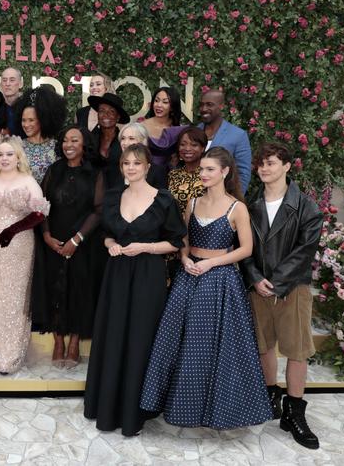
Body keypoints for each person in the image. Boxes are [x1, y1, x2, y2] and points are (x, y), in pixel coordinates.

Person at [141, 147, 272, 429]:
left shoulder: (237, 207)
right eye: (201, 169)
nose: (203, 174)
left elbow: (246, 249)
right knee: (177, 343)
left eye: (210, 169)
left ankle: (216, 411)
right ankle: (178, 407)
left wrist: (212, 264)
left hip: (220, 281)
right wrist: (186, 258)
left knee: (213, 349)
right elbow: (184, 241)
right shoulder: (192, 203)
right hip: (189, 277)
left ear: (225, 172)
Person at [84, 144, 185, 437]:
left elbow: (176, 242)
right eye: (126, 163)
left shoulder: (163, 200)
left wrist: (144, 247)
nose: (130, 167)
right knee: (113, 335)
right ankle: (107, 407)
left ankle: (134, 412)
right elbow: (105, 235)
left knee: (140, 338)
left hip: (147, 276)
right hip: (116, 275)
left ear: (147, 167)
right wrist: (110, 245)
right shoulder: (114, 196)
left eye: (136, 163)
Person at [241, 143, 323, 450]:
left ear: (287, 166)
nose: (264, 168)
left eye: (271, 162)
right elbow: (243, 246)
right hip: (259, 287)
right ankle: (270, 398)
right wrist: (254, 277)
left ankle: (294, 412)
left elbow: (305, 250)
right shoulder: (251, 205)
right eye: (261, 163)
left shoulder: (306, 206)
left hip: (292, 289)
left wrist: (275, 281)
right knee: (264, 347)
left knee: (296, 349)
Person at [0, 136, 49, 374]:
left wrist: (13, 229)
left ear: (18, 157)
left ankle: (12, 355)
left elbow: (40, 213)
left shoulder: (28, 180)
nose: (4, 158)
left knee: (16, 298)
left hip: (19, 246)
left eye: (9, 154)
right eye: (0, 154)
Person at [37, 126, 103, 368]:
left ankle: (74, 342)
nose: (68, 144)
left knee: (79, 290)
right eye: (65, 140)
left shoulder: (95, 173)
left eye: (74, 140)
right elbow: (41, 206)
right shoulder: (54, 170)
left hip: (82, 243)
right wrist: (45, 235)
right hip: (53, 241)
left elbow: (98, 211)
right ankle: (58, 341)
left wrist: (77, 240)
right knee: (54, 289)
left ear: (84, 144)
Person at [197, 89, 251, 193]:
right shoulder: (195, 131)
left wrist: (233, 201)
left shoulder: (238, 135)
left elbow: (243, 173)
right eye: (202, 105)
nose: (204, 109)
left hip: (224, 200)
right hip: (195, 200)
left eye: (209, 105)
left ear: (221, 106)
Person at [17, 87, 66, 184]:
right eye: (23, 120)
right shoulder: (17, 146)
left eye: (31, 120)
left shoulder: (57, 147)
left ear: (43, 120)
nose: (26, 125)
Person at [104, 122, 167, 190]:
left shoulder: (157, 172)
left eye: (131, 138)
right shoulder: (112, 170)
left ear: (143, 141)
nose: (125, 143)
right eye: (123, 138)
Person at [143, 86, 186, 169]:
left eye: (165, 102)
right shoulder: (141, 127)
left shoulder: (178, 130)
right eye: (156, 101)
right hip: (146, 173)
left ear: (173, 107)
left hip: (170, 175)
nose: (159, 105)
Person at [167, 126, 207, 214]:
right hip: (176, 226)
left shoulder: (209, 174)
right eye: (183, 144)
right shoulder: (173, 175)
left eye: (194, 145)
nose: (187, 149)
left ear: (203, 148)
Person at [88, 93, 129, 164]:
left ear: (118, 117)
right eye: (102, 111)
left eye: (112, 111)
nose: (106, 114)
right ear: (97, 115)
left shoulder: (125, 141)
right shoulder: (89, 139)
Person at [0, 66, 24, 133]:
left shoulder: (28, 106)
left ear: (20, 84)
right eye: (4, 80)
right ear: (0, 85)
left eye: (12, 80)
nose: (7, 84)